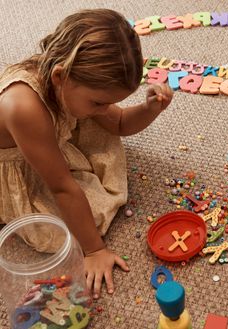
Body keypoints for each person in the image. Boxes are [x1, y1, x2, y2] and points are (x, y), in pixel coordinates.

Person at [0, 9, 173, 299]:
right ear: (60, 76)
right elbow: (62, 187)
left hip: (43, 142)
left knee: (103, 132)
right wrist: (94, 250)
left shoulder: (70, 79)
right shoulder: (24, 106)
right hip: (15, 166)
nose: (105, 110)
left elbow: (119, 123)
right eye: (98, 102)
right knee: (73, 226)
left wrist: (150, 109)